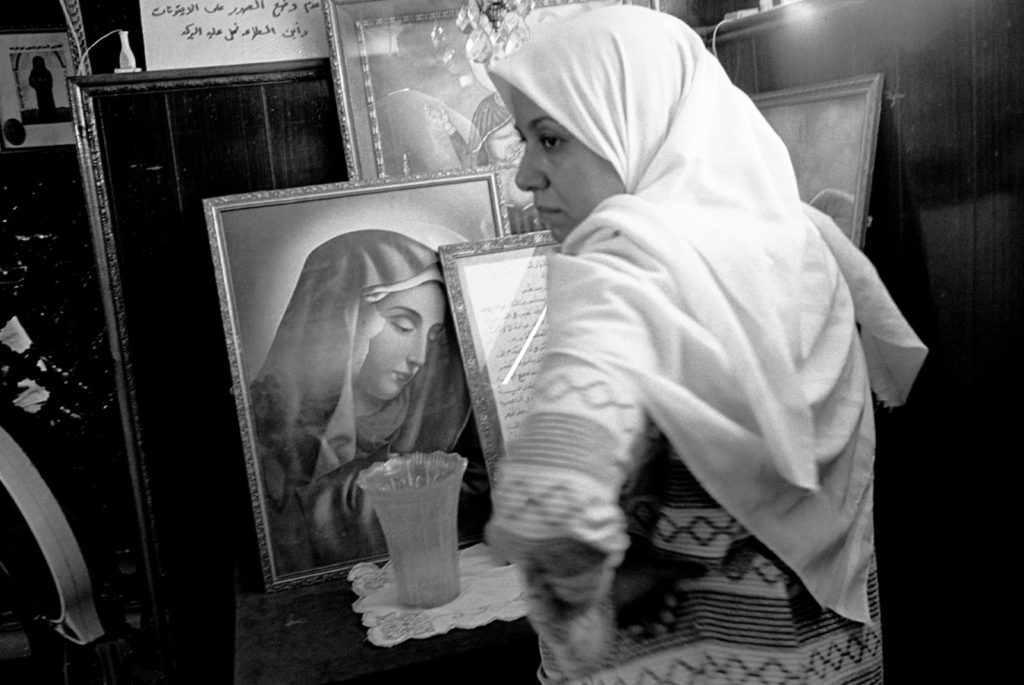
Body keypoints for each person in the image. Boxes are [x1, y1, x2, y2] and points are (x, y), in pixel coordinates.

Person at [482, 6, 927, 684]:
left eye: (550, 141)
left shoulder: (623, 260)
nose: (525, 176)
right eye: (525, 141)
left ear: (636, 121)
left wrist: (569, 593)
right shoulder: (800, 240)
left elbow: (556, 493)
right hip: (824, 649)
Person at [250, 229, 478, 575]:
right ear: (347, 321)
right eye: (402, 326)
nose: (419, 358)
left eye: (432, 337)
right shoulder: (271, 425)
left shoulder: (442, 423)